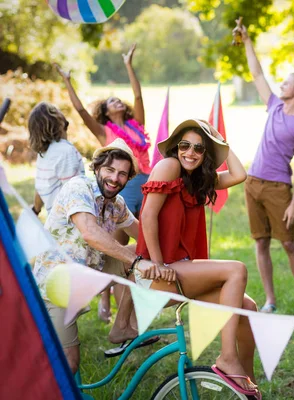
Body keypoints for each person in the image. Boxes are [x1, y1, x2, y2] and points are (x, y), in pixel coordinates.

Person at [135, 118, 260, 396]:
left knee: (248, 308)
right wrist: (157, 263)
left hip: (182, 270)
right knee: (236, 270)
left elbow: (239, 175)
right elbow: (148, 215)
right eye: (184, 145)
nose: (190, 152)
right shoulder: (169, 166)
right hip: (159, 273)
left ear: (207, 154)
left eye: (199, 148)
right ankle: (227, 357)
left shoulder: (198, 179)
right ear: (176, 147)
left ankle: (246, 381)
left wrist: (219, 143)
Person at [33, 139, 159, 374]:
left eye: (122, 174)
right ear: (97, 168)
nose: (115, 178)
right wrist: (135, 262)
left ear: (129, 177)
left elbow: (143, 235)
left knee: (142, 252)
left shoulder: (116, 203)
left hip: (90, 274)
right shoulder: (78, 188)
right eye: (110, 170)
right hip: (56, 284)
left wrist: (175, 249)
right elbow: (90, 233)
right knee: (69, 363)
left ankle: (121, 327)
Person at [55, 43, 150, 323]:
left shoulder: (137, 125)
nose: (117, 102)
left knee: (138, 243)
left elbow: (138, 94)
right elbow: (81, 110)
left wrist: (129, 65)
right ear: (106, 111)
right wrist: (67, 81)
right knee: (114, 245)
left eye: (118, 100)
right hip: (122, 190)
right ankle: (105, 301)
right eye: (111, 101)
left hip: (144, 182)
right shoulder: (104, 132)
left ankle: (125, 318)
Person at [238, 19, 294, 313]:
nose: (280, 85)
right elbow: (256, 72)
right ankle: (270, 299)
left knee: (288, 245)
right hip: (252, 182)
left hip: (278, 188)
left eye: (286, 82)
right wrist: (247, 40)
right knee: (261, 243)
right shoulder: (272, 105)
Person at [27, 102, 85, 217]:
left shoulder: (44, 153)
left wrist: (35, 210)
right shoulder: (65, 151)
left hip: (55, 222)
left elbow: (40, 187)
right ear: (57, 123)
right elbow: (74, 193)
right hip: (72, 222)